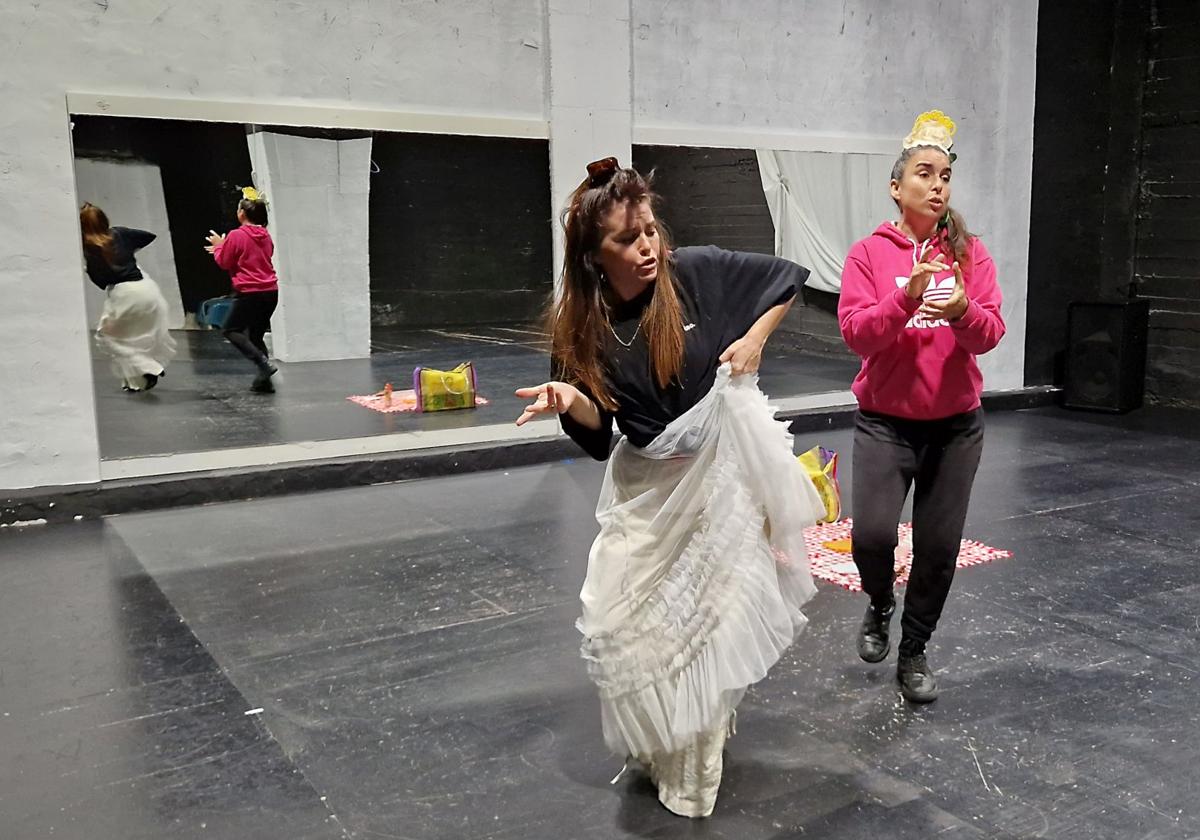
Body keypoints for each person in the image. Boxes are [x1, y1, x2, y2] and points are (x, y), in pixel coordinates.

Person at [515, 158, 824, 818]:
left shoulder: (695, 273)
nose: (647, 247)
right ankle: (662, 741)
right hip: (647, 487)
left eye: (650, 231)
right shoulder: (584, 324)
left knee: (707, 628)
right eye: (627, 239)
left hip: (718, 483)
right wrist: (572, 397)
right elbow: (602, 434)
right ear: (595, 257)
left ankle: (694, 767)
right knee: (622, 621)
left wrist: (754, 340)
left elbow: (786, 280)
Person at [837, 110, 1005, 703]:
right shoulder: (868, 253)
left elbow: (990, 334)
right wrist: (902, 298)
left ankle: (914, 649)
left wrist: (961, 310)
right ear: (896, 185)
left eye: (945, 177)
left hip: (956, 429)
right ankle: (880, 603)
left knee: (938, 549)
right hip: (885, 424)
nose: (938, 186)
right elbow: (858, 334)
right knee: (873, 538)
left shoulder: (970, 253)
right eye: (924, 174)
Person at [80, 203, 176, 392]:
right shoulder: (119, 233)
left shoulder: (89, 249)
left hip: (124, 294)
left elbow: (101, 281)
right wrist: (129, 250)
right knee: (128, 337)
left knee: (107, 338)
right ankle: (134, 382)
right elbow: (148, 236)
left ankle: (148, 368)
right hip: (146, 288)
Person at [205, 188, 280, 393]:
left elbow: (224, 261)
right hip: (270, 292)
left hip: (250, 292)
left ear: (241, 213)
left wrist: (219, 246)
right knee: (255, 335)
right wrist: (223, 247)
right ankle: (264, 382)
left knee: (231, 330)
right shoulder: (265, 235)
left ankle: (264, 365)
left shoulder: (236, 235)